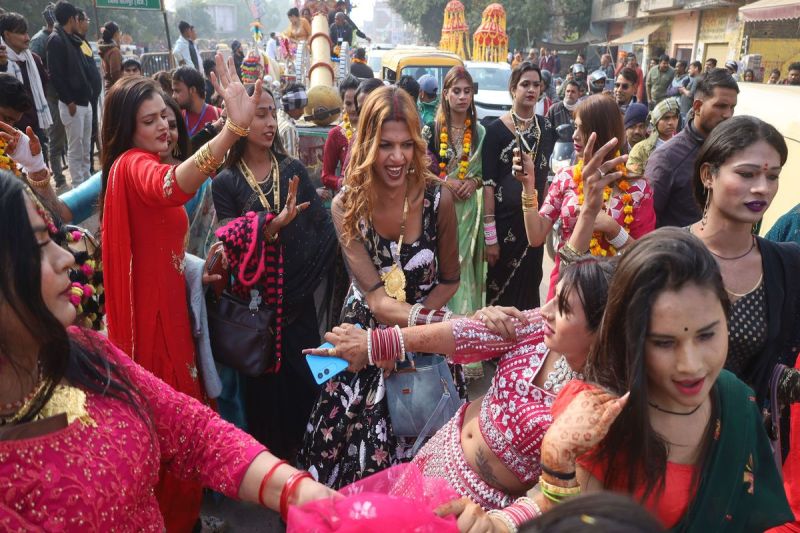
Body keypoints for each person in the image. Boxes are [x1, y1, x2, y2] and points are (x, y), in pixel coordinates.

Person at [0, 171, 337, 530]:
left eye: (55, 239)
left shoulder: (85, 351)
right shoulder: (134, 169)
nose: (66, 257)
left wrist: (295, 491)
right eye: (39, 245)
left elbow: (192, 431)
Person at [98, 56, 262, 532]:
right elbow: (172, 187)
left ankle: (183, 518)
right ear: (126, 129)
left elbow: (159, 242)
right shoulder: (134, 167)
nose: (164, 127)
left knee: (178, 431)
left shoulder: (140, 165)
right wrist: (231, 130)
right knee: (171, 433)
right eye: (149, 121)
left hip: (171, 317)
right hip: (153, 332)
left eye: (167, 118)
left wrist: (193, 271)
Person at [540, 227, 793, 531]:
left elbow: (762, 515)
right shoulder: (597, 418)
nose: (690, 365)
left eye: (707, 335)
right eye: (663, 342)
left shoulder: (736, 400)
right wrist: (558, 463)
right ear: (630, 339)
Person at [297, 85, 462, 489]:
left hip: (423, 342)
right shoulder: (346, 206)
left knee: (433, 466)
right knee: (346, 463)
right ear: (367, 144)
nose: (397, 158)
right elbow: (374, 298)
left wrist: (410, 338)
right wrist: (391, 341)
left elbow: (450, 280)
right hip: (363, 339)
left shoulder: (438, 199)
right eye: (386, 145)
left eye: (407, 145)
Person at [211, 84, 337, 462]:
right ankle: (275, 474)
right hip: (259, 309)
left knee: (308, 383)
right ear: (240, 119)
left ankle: (317, 460)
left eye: (272, 112)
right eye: (260, 114)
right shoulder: (226, 182)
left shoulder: (293, 169)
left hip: (298, 305)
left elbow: (323, 230)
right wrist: (271, 225)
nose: (270, 122)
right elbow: (230, 239)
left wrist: (303, 286)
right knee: (266, 397)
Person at [690, 117, 800, 496]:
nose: (762, 188)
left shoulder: (787, 266)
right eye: (748, 173)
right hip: (665, 454)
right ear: (709, 174)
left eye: (773, 177)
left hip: (742, 462)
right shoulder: (666, 255)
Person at [531, 95, 655, 299]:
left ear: (605, 132)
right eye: (575, 127)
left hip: (613, 294)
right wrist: (528, 188)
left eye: (583, 128)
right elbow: (536, 237)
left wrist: (613, 229)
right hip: (564, 288)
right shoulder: (566, 178)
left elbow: (646, 257)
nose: (575, 136)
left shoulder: (638, 189)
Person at [423, 66, 485, 382]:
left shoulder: (481, 132)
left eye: (467, 91)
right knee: (445, 274)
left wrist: (472, 181)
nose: (462, 97)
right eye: (456, 91)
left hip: (470, 214)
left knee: (466, 276)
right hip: (443, 209)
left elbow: (483, 174)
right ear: (446, 93)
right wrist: (445, 182)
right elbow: (421, 170)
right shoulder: (431, 130)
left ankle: (468, 352)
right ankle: (444, 346)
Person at [482, 61, 555, 309]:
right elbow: (488, 186)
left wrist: (546, 222)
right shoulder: (495, 131)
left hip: (532, 223)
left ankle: (527, 346)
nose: (531, 89)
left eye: (536, 85)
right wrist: (490, 238)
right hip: (504, 227)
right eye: (525, 84)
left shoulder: (546, 129)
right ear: (513, 88)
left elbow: (544, 180)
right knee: (499, 295)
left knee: (530, 289)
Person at [645, 68, 738, 228]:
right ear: (697, 107)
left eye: (732, 107)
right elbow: (647, 219)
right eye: (721, 106)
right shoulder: (667, 158)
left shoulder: (731, 153)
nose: (728, 115)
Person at [47, 0, 93, 187]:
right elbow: (56, 75)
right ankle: (78, 184)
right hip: (72, 104)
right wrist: (69, 100)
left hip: (85, 101)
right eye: (77, 18)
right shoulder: (56, 40)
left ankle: (87, 179)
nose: (79, 21)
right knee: (75, 148)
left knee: (86, 145)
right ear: (71, 19)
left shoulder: (74, 39)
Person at [0, 11, 52, 169]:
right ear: (7, 34)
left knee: (38, 167)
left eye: (26, 32)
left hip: (33, 125)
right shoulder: (3, 60)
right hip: (8, 130)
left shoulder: (33, 60)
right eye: (21, 33)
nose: (27, 38)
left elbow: (43, 87)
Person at [321, 74, 359, 193]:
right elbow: (326, 176)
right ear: (342, 104)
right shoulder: (336, 134)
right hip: (346, 199)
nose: (353, 108)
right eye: (348, 104)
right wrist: (343, 183)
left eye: (357, 103)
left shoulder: (372, 130)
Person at [625, 98, 679, 177]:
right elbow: (632, 180)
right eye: (666, 118)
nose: (671, 122)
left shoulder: (683, 144)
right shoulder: (640, 149)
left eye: (675, 117)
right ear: (656, 121)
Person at [172, 65, 222, 137]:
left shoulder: (219, 116)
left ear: (192, 90)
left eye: (177, 91)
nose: (173, 96)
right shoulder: (176, 119)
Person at [278, 82, 308, 159]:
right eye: (300, 108)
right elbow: (291, 163)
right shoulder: (289, 129)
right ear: (290, 106)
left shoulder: (278, 116)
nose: (302, 112)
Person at [98, 21, 122, 91]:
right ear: (116, 34)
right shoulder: (114, 51)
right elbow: (115, 74)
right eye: (120, 33)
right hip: (115, 91)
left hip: (109, 89)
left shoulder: (106, 49)